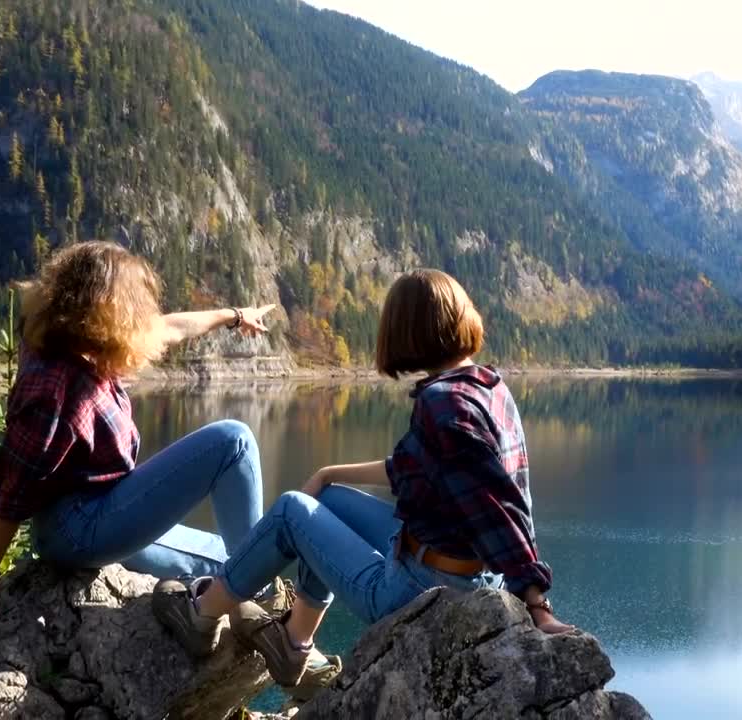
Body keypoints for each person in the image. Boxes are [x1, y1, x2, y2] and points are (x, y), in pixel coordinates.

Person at [153, 269, 573, 701]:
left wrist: (536, 601)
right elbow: (420, 470)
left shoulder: (442, 404)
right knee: (325, 499)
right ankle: (293, 645)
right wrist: (330, 473)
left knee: (290, 512)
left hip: (418, 590)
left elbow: (496, 508)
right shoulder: (488, 386)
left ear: (408, 331)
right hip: (457, 568)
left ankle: (200, 615)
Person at [0, 241, 279, 618]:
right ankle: (258, 597)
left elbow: (171, 327)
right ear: (111, 309)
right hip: (78, 530)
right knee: (234, 440)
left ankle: (253, 591)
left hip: (107, 512)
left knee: (228, 561)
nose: (145, 314)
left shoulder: (87, 344)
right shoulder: (54, 381)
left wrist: (235, 315)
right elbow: (17, 484)